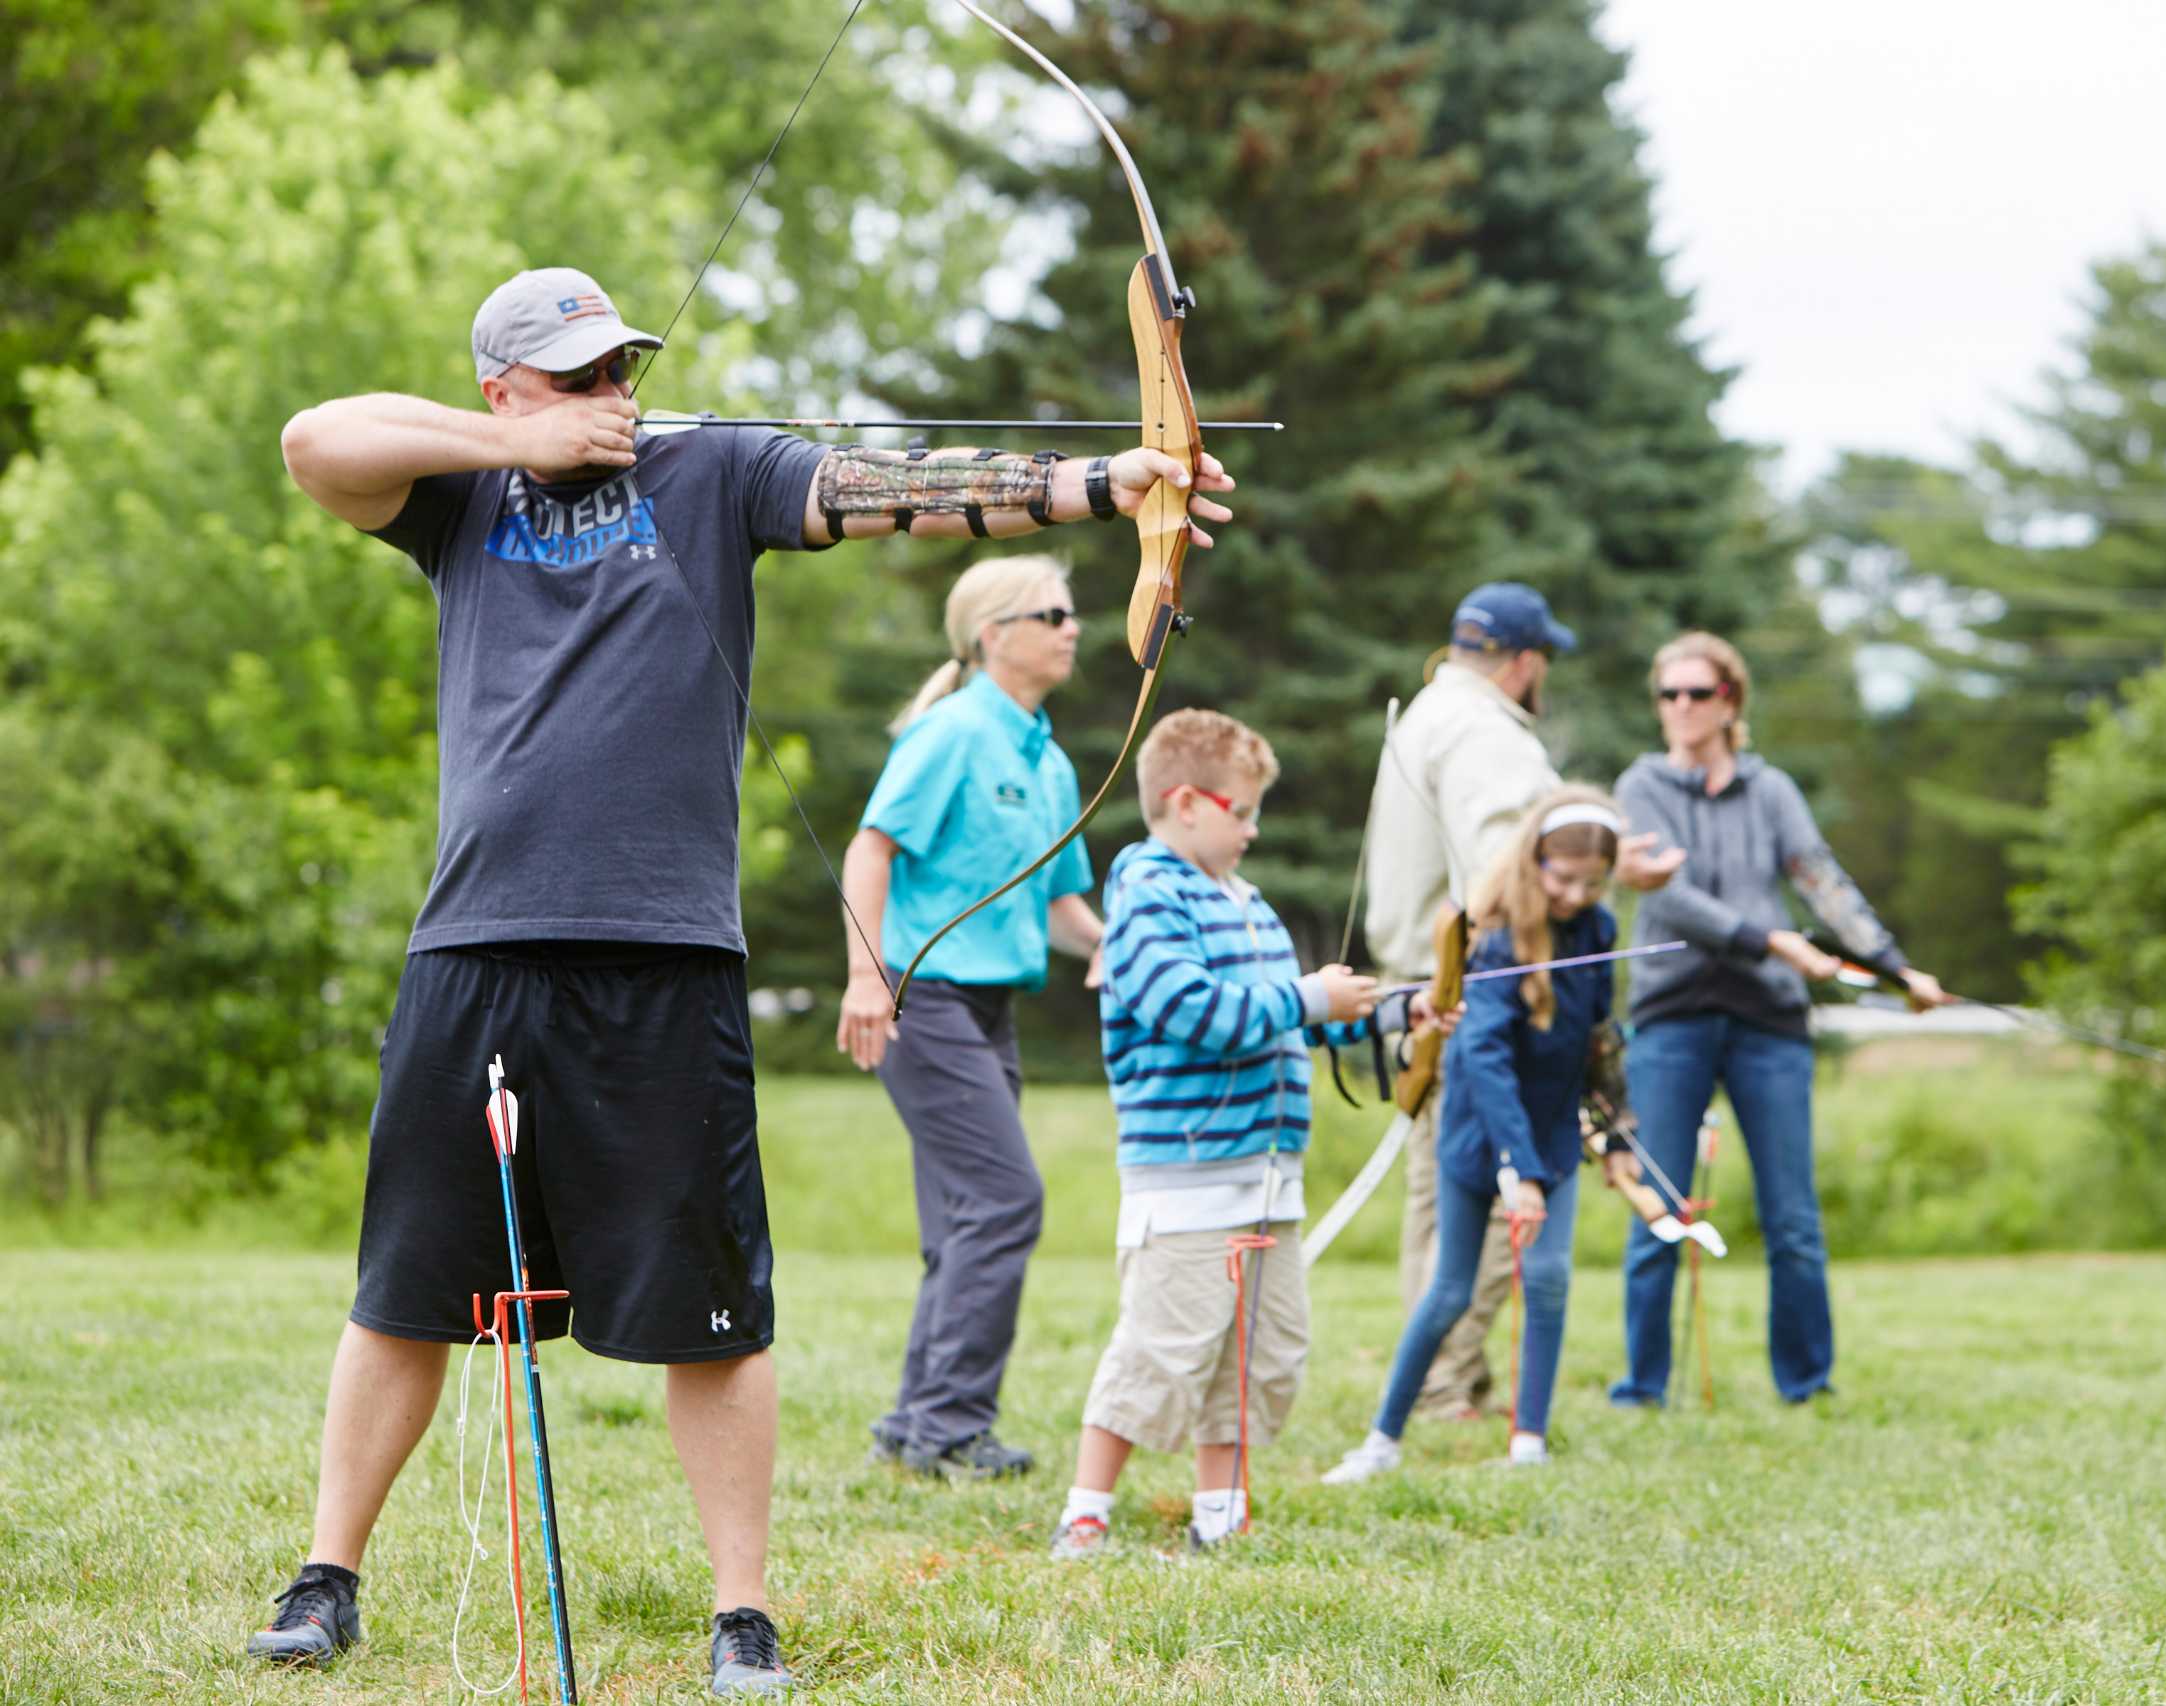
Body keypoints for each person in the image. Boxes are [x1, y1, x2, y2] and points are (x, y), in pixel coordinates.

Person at [256, 266, 1232, 1695]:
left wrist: (1103, 483)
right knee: (409, 1284)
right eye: (578, 376)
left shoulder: (710, 470)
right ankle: (328, 1575)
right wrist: (510, 453)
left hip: (669, 955)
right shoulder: (457, 496)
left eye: (620, 369)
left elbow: (887, 485)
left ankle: (742, 1612)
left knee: (712, 1301)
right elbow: (310, 440)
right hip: (481, 942)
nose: (612, 395)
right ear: (503, 387)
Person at [1049, 711, 1448, 1557]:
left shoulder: (1249, 903)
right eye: (1244, 809)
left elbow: (1287, 1022)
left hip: (1269, 1185)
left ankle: (1219, 1517)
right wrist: (1308, 998)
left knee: (1256, 1357)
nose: (1255, 827)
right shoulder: (1147, 890)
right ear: (1188, 802)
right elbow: (1191, 1010)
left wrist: (1400, 1010)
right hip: (1187, 1185)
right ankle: (1085, 1512)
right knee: (1161, 1351)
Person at [1357, 585, 1679, 1421]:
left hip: (1431, 989)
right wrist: (1607, 867)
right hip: (1480, 994)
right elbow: (1513, 862)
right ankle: (1443, 1390)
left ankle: (1443, 1383)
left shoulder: (1430, 712)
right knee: (1493, 1191)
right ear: (1526, 662)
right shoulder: (1484, 733)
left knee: (1442, 1198)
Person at [1608, 631, 1947, 1408]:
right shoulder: (1643, 786)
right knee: (1659, 1203)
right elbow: (1669, 896)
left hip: (1768, 1021)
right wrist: (1770, 940)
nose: (1681, 708)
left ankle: (1806, 1383)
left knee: (1792, 1216)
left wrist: (1897, 970)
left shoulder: (1772, 791)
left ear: (1731, 702)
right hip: (1672, 1014)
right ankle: (1641, 1389)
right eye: (1669, 694)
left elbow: (1823, 884)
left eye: (1698, 693)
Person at [833, 554, 1107, 1480]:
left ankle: (915, 1426)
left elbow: (1062, 909)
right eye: (1054, 613)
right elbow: (870, 852)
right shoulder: (950, 734)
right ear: (995, 634)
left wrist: (1117, 949)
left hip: (992, 1008)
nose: (1074, 627)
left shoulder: (1051, 759)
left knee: (964, 1215)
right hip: (924, 995)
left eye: (1072, 614)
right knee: (1003, 1200)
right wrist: (868, 978)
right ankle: (952, 1430)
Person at [1324, 787, 1625, 1482]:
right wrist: (1513, 1168)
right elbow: (1484, 1060)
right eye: (1563, 878)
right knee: (1450, 1291)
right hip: (1480, 1129)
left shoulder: (1596, 929)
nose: (1576, 895)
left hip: (1549, 1127)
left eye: (1592, 882)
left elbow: (1597, 1034)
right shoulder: (1491, 937)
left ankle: (1528, 1443)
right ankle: (1381, 1440)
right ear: (1534, 861)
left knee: (1546, 1278)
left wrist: (1613, 1125)